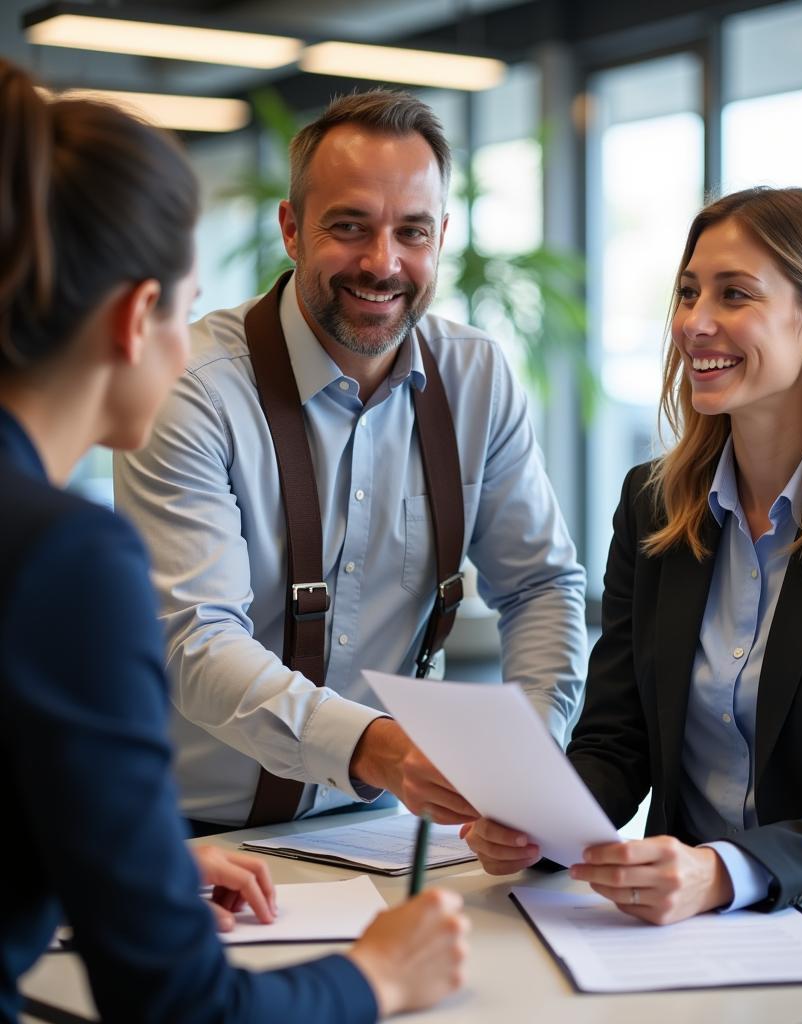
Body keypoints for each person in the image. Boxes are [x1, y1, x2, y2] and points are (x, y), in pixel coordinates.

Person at [0, 58, 467, 1023]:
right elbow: (182, 1009)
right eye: (188, 300)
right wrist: (377, 976)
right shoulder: (63, 560)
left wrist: (143, 859)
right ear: (138, 319)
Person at [462, 186, 802, 923]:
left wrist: (722, 872)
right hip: (685, 926)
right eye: (687, 294)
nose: (694, 324)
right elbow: (617, 745)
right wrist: (540, 826)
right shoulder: (654, 503)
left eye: (734, 295)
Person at [113, 88, 588, 833]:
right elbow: (196, 639)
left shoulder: (477, 379)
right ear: (292, 230)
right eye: (350, 227)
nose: (383, 262)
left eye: (413, 231)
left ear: (442, 237)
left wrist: (524, 763)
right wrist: (380, 749)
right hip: (194, 840)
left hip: (382, 834)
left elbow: (541, 586)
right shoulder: (193, 386)